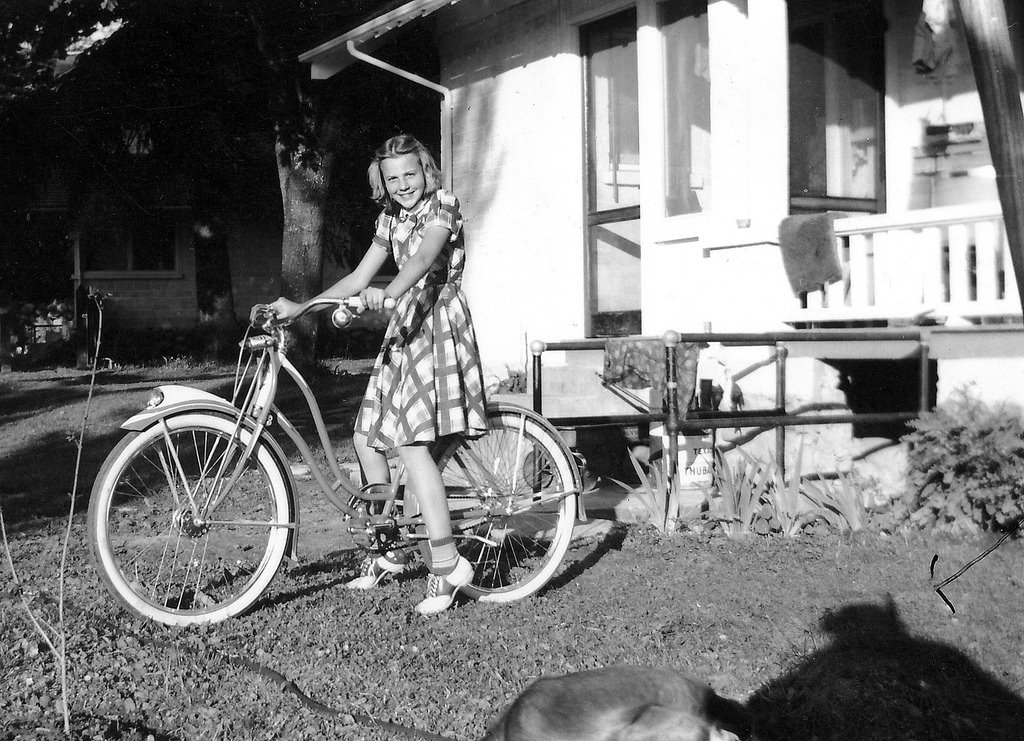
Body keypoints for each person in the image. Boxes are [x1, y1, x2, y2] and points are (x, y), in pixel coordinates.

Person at [265, 134, 488, 614]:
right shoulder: (389, 219)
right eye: (393, 178)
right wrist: (299, 307)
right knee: (367, 436)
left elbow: (427, 258)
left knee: (410, 445)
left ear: (426, 171)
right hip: (405, 328)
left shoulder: (442, 207)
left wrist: (389, 295)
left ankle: (448, 565)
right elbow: (356, 278)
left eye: (411, 173)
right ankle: (387, 547)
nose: (403, 184)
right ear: (382, 184)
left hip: (437, 326)